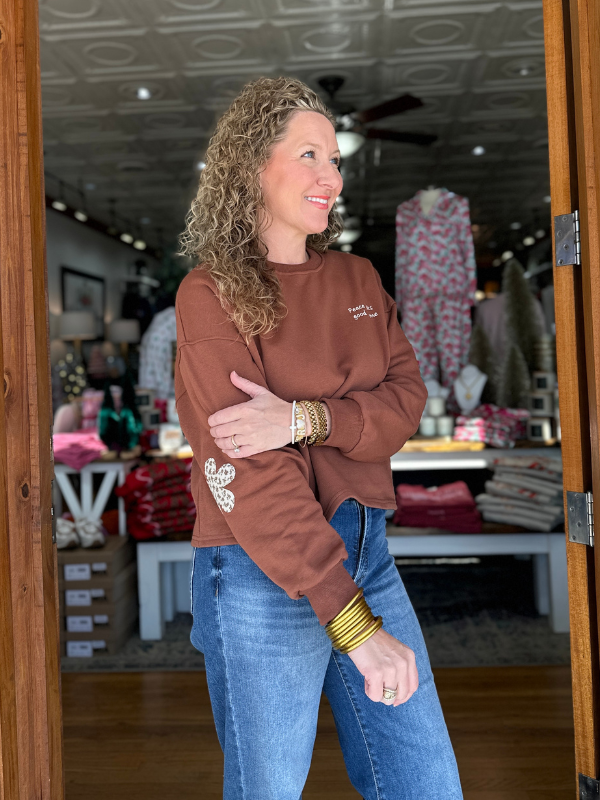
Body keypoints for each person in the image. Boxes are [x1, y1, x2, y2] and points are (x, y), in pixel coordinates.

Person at [175, 76, 463, 800]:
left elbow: (406, 403)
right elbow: (249, 470)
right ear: (251, 167)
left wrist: (304, 419)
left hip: (367, 548)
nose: (331, 176)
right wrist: (353, 625)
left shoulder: (358, 276)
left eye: (334, 159)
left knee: (426, 783)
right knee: (268, 789)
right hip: (258, 565)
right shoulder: (209, 295)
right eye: (309, 154)